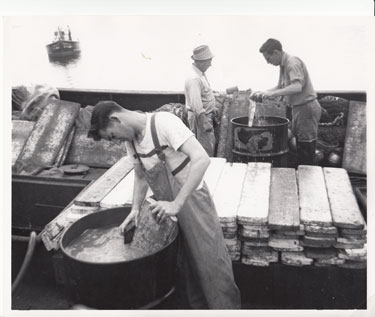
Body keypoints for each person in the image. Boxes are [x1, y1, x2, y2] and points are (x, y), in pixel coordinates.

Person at [87, 101, 241, 309]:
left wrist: (177, 203)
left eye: (113, 136)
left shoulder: (164, 123)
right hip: (169, 209)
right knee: (186, 266)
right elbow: (141, 176)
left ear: (116, 119)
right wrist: (135, 210)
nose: (115, 142)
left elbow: (202, 159)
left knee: (211, 264)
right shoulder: (131, 142)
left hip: (193, 203)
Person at [255, 38, 322, 165]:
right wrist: (263, 92)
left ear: (276, 53)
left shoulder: (292, 62)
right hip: (298, 108)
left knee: (306, 146)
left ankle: (307, 176)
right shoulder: (283, 65)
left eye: (268, 59)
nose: (268, 63)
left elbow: (297, 87)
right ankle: (302, 173)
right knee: (298, 144)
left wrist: (272, 94)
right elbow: (281, 87)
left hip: (306, 108)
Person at [184, 45, 217, 157]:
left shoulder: (201, 75)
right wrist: (204, 123)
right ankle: (207, 173)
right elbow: (196, 105)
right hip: (200, 118)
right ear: (201, 62)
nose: (210, 65)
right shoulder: (195, 78)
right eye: (209, 62)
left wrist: (213, 108)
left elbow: (204, 95)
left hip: (205, 115)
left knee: (208, 146)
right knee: (205, 150)